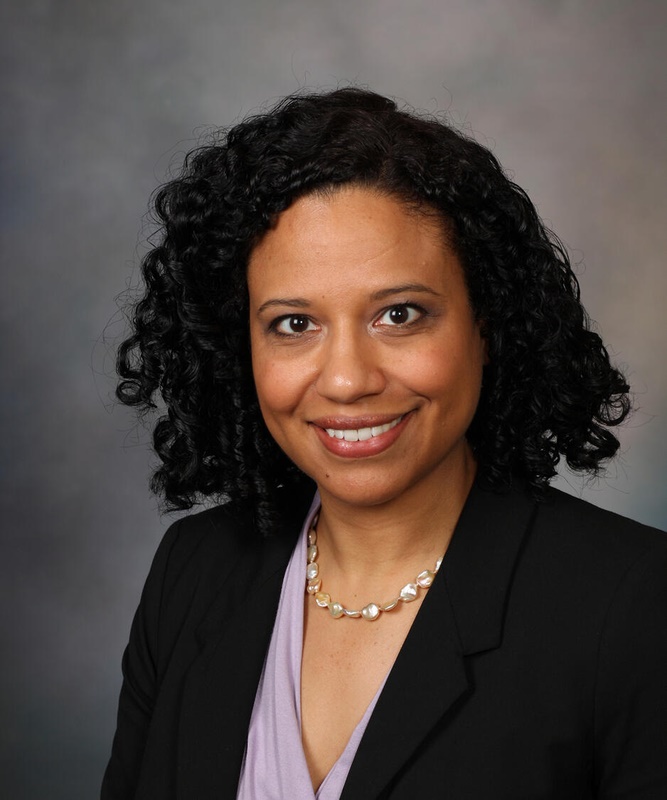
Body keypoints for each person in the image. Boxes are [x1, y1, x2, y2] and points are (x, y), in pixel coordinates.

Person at [102, 88, 667, 799]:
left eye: (399, 315)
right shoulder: (194, 570)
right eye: (293, 324)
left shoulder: (633, 604)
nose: (346, 380)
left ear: (486, 324)